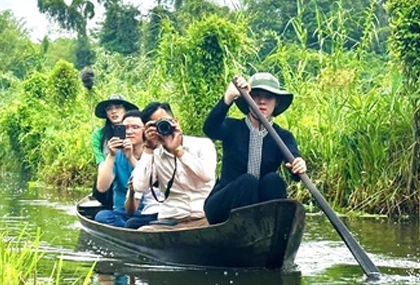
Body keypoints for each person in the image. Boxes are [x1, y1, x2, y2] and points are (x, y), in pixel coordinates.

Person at [203, 72, 307, 225]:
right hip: (224, 205)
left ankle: (271, 230)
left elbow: (294, 165)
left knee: (273, 180)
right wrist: (228, 98)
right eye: (256, 95)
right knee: (248, 181)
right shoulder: (232, 127)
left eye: (268, 97)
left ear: (276, 102)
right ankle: (241, 231)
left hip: (261, 210)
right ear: (248, 99)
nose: (262, 102)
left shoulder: (282, 136)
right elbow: (210, 129)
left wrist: (298, 164)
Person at [130, 102, 217, 228]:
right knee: (144, 231)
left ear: (176, 121)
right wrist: (148, 149)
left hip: (204, 216)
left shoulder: (202, 145)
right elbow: (139, 186)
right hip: (170, 221)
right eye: (155, 125)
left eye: (166, 122)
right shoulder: (154, 154)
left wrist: (179, 151)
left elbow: (207, 176)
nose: (162, 127)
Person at [94, 109, 145, 227]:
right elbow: (102, 187)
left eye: (135, 127)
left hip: (148, 211)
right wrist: (111, 155)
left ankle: (131, 229)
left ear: (145, 130)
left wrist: (130, 157)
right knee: (102, 216)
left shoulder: (153, 153)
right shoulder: (116, 155)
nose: (130, 132)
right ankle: (129, 230)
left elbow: (151, 182)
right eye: (125, 128)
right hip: (122, 212)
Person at [91, 93, 138, 208]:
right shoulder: (99, 135)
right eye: (109, 109)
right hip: (111, 173)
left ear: (125, 110)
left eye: (118, 107)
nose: (113, 111)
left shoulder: (137, 131)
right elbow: (100, 161)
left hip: (133, 170)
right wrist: (111, 156)